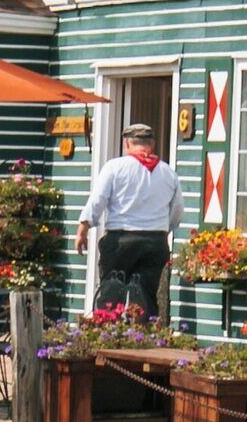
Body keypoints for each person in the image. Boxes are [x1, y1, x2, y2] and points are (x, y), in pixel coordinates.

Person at [75, 122, 178, 318]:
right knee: (147, 293)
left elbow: (98, 200)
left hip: (120, 240)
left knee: (111, 290)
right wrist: (163, 228)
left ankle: (108, 332)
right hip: (155, 241)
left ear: (127, 144)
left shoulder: (115, 167)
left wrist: (83, 229)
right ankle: (144, 335)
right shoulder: (168, 172)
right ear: (152, 145)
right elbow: (177, 210)